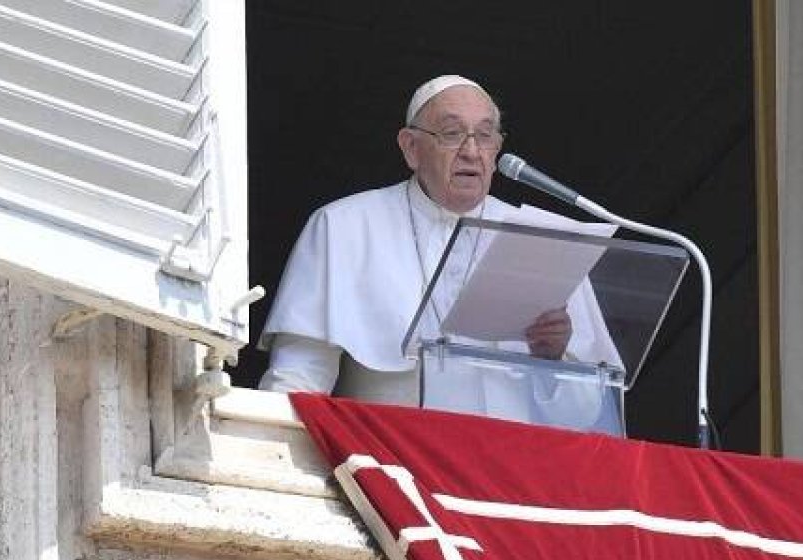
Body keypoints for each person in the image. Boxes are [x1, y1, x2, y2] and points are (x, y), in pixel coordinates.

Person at [258, 75, 619, 420]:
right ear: (411, 148)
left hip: (505, 472)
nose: (472, 151)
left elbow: (587, 414)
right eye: (452, 134)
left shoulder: (543, 239)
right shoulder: (344, 226)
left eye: (485, 135)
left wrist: (553, 360)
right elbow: (299, 379)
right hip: (390, 465)